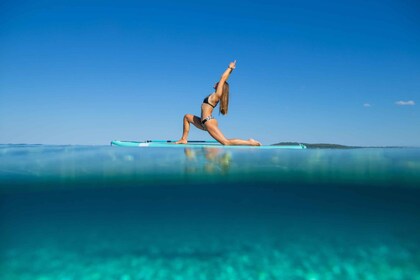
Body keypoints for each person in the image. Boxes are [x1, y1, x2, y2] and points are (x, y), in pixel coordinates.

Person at [176, 60, 261, 146]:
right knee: (187, 117)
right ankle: (183, 139)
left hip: (208, 121)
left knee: (226, 142)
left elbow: (223, 78)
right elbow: (224, 79)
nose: (216, 83)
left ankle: (250, 142)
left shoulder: (217, 95)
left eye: (218, 83)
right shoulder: (213, 94)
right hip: (202, 122)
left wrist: (230, 68)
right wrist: (230, 71)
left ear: (220, 86)